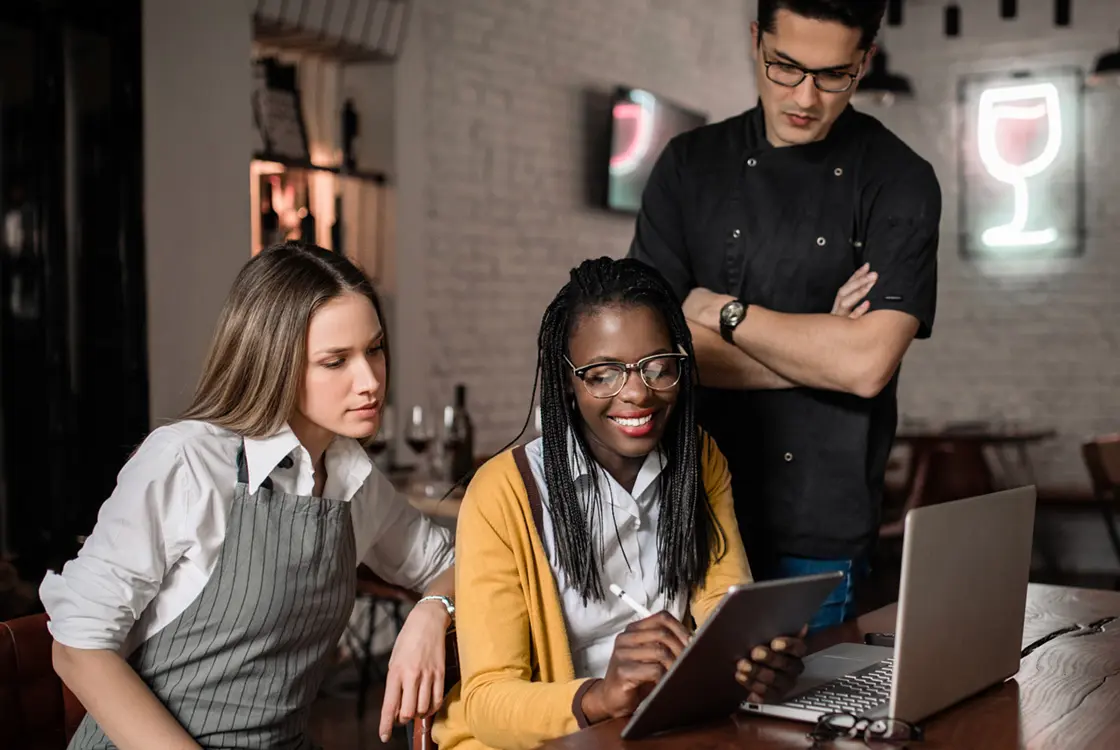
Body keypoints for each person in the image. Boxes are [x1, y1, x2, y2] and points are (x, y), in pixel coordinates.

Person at [40, 242, 456, 749]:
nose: (369, 380)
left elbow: (460, 563)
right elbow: (77, 648)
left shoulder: (354, 479)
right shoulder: (186, 462)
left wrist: (432, 609)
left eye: (374, 349)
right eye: (335, 361)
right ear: (273, 362)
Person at [628, 0, 940, 631]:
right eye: (785, 68)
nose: (806, 96)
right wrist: (817, 346)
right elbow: (650, 354)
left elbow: (866, 364)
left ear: (864, 62)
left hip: (816, 528)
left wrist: (721, 312)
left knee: (800, 723)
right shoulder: (687, 165)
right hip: (681, 512)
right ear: (756, 40)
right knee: (677, 723)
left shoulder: (900, 180)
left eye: (833, 76)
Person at [432, 257, 807, 750]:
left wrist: (753, 659)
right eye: (602, 374)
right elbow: (487, 701)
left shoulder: (698, 458)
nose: (636, 393)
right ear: (567, 380)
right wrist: (600, 698)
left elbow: (724, 604)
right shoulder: (504, 493)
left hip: (662, 727)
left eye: (657, 367)